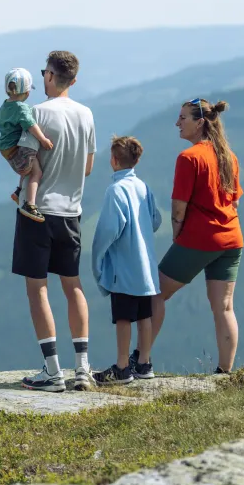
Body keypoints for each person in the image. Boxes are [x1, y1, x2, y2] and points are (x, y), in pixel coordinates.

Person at [16, 51, 98, 393]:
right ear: (74, 80)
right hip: (71, 211)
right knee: (73, 285)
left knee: (38, 289)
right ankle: (82, 368)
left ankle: (52, 372)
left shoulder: (37, 113)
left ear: (49, 76)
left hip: (37, 212)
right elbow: (88, 168)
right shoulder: (86, 114)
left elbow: (25, 163)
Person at [150, 98, 243, 374]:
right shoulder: (229, 156)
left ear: (200, 122)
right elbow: (235, 202)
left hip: (199, 238)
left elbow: (179, 207)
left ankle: (141, 359)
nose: (177, 123)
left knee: (154, 293)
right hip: (232, 238)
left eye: (183, 118)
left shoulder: (189, 157)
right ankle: (225, 372)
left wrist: (178, 236)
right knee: (224, 307)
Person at [89, 135, 162, 386]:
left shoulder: (115, 190)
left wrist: (97, 258)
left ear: (114, 160)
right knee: (144, 316)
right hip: (145, 267)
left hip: (124, 267)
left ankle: (122, 367)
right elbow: (156, 221)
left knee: (122, 317)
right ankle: (144, 362)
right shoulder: (143, 187)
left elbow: (109, 230)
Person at [0, 67, 54, 223]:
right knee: (36, 173)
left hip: (6, 148)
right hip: (16, 150)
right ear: (27, 92)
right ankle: (30, 204)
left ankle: (18, 191)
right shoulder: (21, 109)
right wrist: (43, 140)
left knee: (27, 172)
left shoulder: (5, 106)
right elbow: (30, 125)